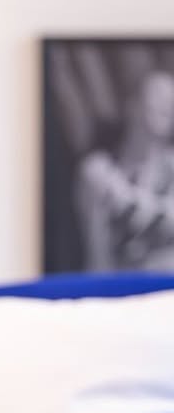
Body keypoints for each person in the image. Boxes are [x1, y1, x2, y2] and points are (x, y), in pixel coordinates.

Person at [75, 65, 174, 272]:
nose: (167, 103)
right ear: (132, 104)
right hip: (117, 285)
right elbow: (97, 256)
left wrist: (123, 198)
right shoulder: (98, 170)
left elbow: (164, 221)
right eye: (158, 95)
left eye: (171, 99)